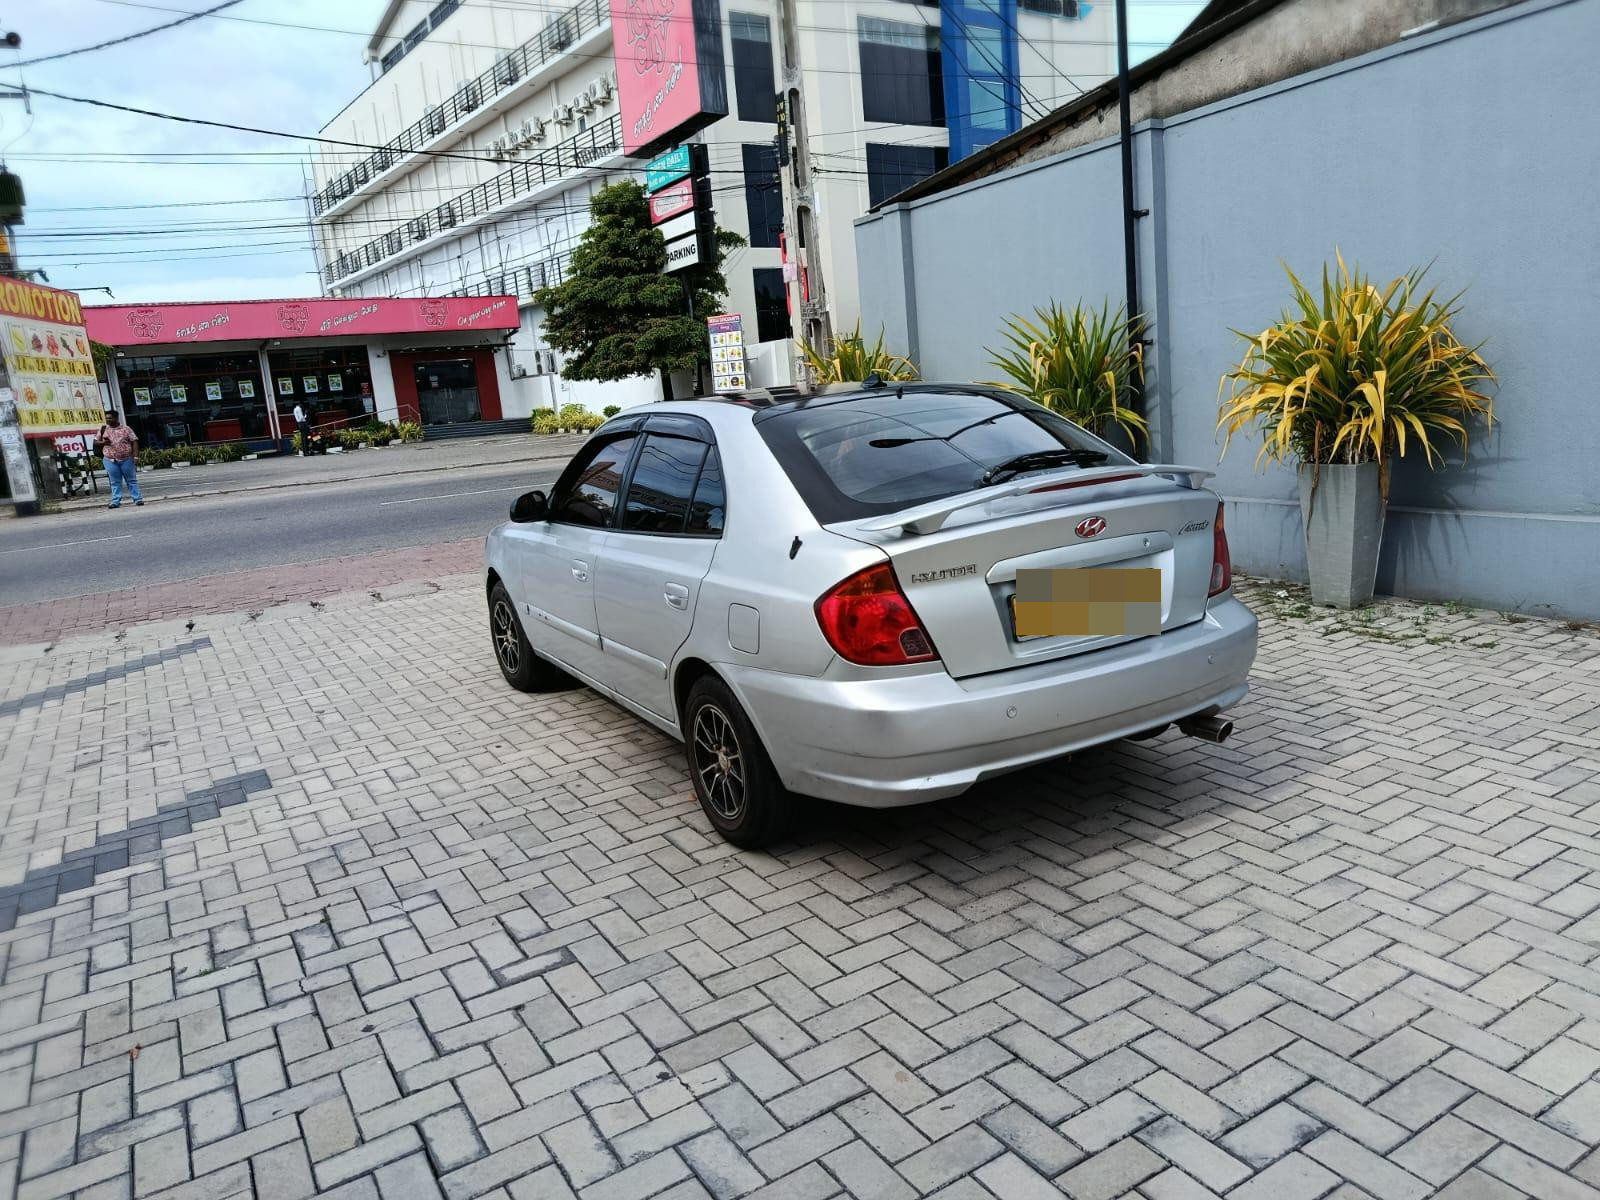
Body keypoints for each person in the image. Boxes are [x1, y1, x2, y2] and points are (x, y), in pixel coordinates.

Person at [98, 410, 143, 509]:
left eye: (110, 418)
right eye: (107, 418)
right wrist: (103, 443)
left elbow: (134, 441)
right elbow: (95, 442)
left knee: (131, 480)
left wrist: (136, 456)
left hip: (126, 459)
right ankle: (115, 501)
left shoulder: (126, 429)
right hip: (110, 460)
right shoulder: (104, 429)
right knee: (115, 481)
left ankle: (137, 499)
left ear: (116, 418)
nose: (108, 420)